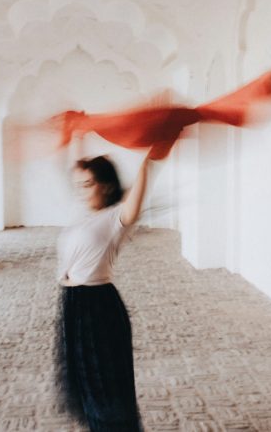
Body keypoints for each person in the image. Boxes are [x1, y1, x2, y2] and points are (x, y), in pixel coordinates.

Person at [54, 153, 156, 431]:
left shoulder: (117, 217)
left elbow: (135, 200)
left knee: (107, 387)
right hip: (73, 304)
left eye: (87, 184)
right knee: (86, 384)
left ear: (107, 186)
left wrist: (148, 161)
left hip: (98, 306)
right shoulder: (84, 216)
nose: (80, 191)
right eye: (78, 185)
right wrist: (74, 136)